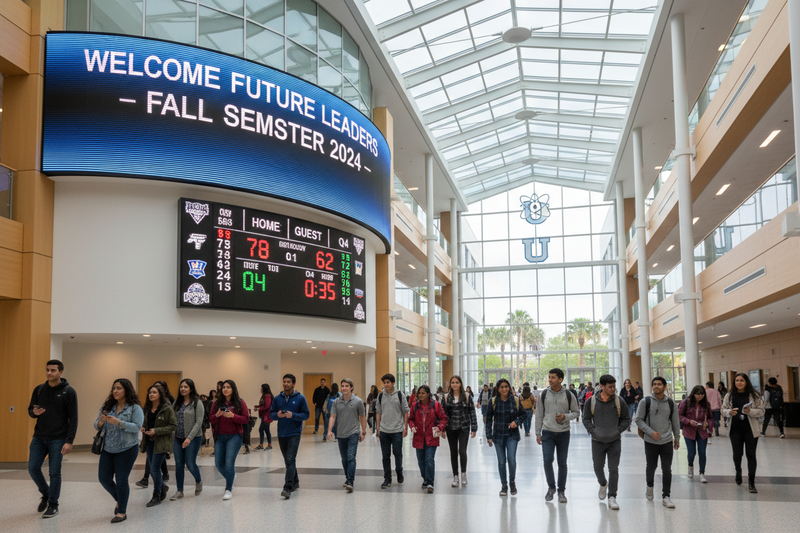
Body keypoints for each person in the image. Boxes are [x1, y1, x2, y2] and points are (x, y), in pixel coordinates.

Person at [27, 359, 78, 519]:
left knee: (54, 472)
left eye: (53, 370)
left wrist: (69, 441)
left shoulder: (68, 391)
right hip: (39, 437)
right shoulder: (39, 389)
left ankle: (53, 505)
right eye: (48, 370)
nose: (49, 373)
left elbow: (74, 418)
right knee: (33, 468)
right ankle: (46, 493)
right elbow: (30, 409)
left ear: (61, 372)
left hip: (58, 438)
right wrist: (33, 413)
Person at [95, 379, 143, 523]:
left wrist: (119, 423)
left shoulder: (135, 408)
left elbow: (137, 427)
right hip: (108, 448)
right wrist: (101, 421)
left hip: (127, 448)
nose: (115, 391)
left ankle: (121, 512)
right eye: (114, 388)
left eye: (119, 388)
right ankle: (120, 499)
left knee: (121, 480)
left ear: (126, 390)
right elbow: (97, 425)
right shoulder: (107, 406)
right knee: (104, 478)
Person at [582, 374, 630, 511]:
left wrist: (617, 431)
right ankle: (603, 483)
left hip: (614, 441)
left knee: (613, 469)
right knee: (598, 467)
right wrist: (593, 431)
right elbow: (586, 419)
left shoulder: (619, 401)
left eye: (614, 386)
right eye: (610, 387)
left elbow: (626, 419)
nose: (613, 389)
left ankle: (612, 496)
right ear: (601, 386)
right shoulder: (591, 402)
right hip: (597, 441)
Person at [535, 368, 580, 503]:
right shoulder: (544, 394)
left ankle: (561, 491)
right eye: (549, 377)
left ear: (560, 379)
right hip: (547, 432)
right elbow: (539, 414)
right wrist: (538, 432)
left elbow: (577, 412)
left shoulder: (568, 394)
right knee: (547, 460)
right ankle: (551, 487)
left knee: (562, 463)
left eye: (553, 377)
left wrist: (565, 417)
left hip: (563, 433)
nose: (550, 380)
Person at [635, 376, 680, 508]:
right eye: (654, 384)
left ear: (665, 386)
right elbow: (638, 420)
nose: (656, 386)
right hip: (650, 441)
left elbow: (675, 421)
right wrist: (651, 432)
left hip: (666, 441)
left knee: (667, 469)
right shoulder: (646, 401)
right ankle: (650, 485)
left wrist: (677, 437)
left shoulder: (671, 403)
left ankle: (666, 496)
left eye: (659, 384)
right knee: (651, 466)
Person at [722, 373, 765, 493]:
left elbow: (761, 411)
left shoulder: (755, 395)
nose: (739, 383)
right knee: (737, 454)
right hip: (735, 429)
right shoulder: (729, 395)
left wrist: (750, 411)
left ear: (746, 382)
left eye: (741, 380)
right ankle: (738, 471)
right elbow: (723, 409)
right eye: (737, 380)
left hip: (750, 429)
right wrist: (728, 412)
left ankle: (751, 482)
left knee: (751, 455)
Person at [272, 374, 311, 499]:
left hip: (294, 433)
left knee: (289, 459)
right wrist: (277, 414)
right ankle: (295, 482)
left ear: (293, 384)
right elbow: (271, 415)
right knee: (288, 460)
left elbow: (306, 415)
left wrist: (293, 415)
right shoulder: (278, 398)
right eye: (284, 381)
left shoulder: (300, 398)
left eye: (288, 382)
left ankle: (287, 487)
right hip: (282, 433)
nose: (285, 384)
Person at [210, 380, 249, 500]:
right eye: (224, 387)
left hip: (235, 436)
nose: (225, 389)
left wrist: (233, 416)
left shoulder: (240, 403)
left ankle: (228, 489)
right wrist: (217, 415)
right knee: (218, 463)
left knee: (229, 463)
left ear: (233, 389)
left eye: (228, 387)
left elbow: (246, 419)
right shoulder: (217, 403)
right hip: (220, 437)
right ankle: (231, 476)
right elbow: (211, 419)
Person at [486, 379, 526, 496]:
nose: (504, 389)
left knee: (512, 460)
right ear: (498, 389)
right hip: (498, 435)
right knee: (501, 461)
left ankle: (512, 482)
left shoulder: (515, 400)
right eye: (502, 387)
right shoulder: (492, 401)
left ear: (509, 387)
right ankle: (504, 485)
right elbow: (488, 420)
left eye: (506, 387)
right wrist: (489, 436)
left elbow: (524, 415)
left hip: (512, 435)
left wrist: (516, 422)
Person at [140, 383, 177, 507]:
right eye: (150, 392)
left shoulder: (167, 408)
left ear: (160, 394)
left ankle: (156, 495)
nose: (151, 394)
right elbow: (146, 422)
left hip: (161, 442)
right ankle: (162, 487)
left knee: (155, 469)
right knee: (153, 469)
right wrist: (144, 428)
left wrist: (156, 431)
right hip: (149, 441)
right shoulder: (147, 408)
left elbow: (173, 426)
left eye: (154, 392)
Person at [327, 378, 367, 492]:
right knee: (344, 459)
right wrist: (329, 431)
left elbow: (362, 417)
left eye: (346, 386)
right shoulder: (336, 402)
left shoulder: (358, 401)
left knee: (351, 457)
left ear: (351, 387)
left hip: (353, 433)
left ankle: (350, 481)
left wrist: (363, 431)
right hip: (341, 434)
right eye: (342, 386)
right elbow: (333, 416)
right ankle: (347, 477)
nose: (344, 388)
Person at [408, 384, 448, 493]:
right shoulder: (415, 406)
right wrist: (412, 426)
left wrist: (439, 427)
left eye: (423, 393)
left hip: (431, 437)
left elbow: (444, 418)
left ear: (428, 394)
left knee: (429, 459)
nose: (420, 395)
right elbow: (410, 419)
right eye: (419, 393)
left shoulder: (436, 405)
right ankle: (425, 478)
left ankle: (430, 482)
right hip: (418, 437)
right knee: (421, 461)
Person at [170, 378, 204, 500]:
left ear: (191, 389)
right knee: (179, 464)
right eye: (181, 387)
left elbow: (199, 422)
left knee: (190, 463)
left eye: (185, 387)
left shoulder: (197, 402)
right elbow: (172, 420)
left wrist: (189, 438)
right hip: (178, 437)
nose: (182, 389)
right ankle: (179, 491)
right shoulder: (176, 403)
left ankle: (198, 480)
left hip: (193, 437)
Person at [443, 375, 478, 488]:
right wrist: (442, 428)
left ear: (460, 384)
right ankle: (455, 476)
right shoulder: (446, 397)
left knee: (462, 451)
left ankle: (463, 473)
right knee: (453, 452)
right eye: (453, 382)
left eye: (457, 382)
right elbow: (443, 415)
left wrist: (474, 428)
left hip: (464, 428)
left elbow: (472, 413)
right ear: (450, 384)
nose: (454, 384)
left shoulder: (466, 396)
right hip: (451, 428)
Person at [375, 373, 409, 489]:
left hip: (397, 430)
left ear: (393, 383)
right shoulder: (380, 396)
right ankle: (387, 478)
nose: (386, 384)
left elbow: (405, 411)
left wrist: (405, 427)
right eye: (384, 383)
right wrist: (378, 428)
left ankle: (399, 471)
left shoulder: (400, 395)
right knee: (385, 456)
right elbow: (378, 412)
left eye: (388, 382)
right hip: (384, 430)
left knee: (397, 453)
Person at [679, 385, 713, 484]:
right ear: (693, 394)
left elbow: (711, 418)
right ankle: (690, 466)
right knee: (691, 453)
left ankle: (702, 473)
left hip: (702, 431)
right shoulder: (686, 402)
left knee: (702, 452)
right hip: (689, 431)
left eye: (702, 394)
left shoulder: (706, 404)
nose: (700, 396)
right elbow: (680, 415)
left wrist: (708, 424)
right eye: (698, 394)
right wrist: (689, 421)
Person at [255, 383, 274, 450]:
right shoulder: (264, 396)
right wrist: (258, 406)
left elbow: (267, 406)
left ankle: (262, 445)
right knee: (266, 430)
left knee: (261, 430)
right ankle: (268, 445)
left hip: (267, 416)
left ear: (264, 389)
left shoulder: (267, 396)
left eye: (262, 388)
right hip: (264, 416)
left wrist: (259, 409)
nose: (261, 389)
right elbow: (263, 404)